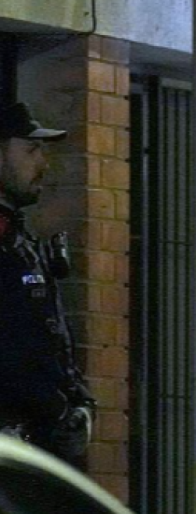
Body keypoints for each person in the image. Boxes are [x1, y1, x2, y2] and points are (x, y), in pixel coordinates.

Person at [0, 101, 94, 468]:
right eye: (31, 150)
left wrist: (81, 404)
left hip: (34, 450)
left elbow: (47, 337)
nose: (43, 163)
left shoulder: (19, 240)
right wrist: (55, 408)